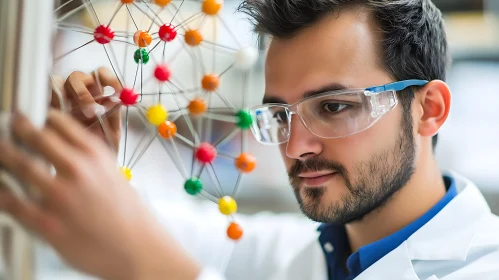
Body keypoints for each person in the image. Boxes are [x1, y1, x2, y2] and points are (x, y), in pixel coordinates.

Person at [1, 0, 499, 279]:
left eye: (333, 107)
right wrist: (91, 169)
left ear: (428, 110)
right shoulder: (306, 252)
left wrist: (154, 269)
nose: (297, 145)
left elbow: (150, 253)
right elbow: (147, 231)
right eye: (280, 113)